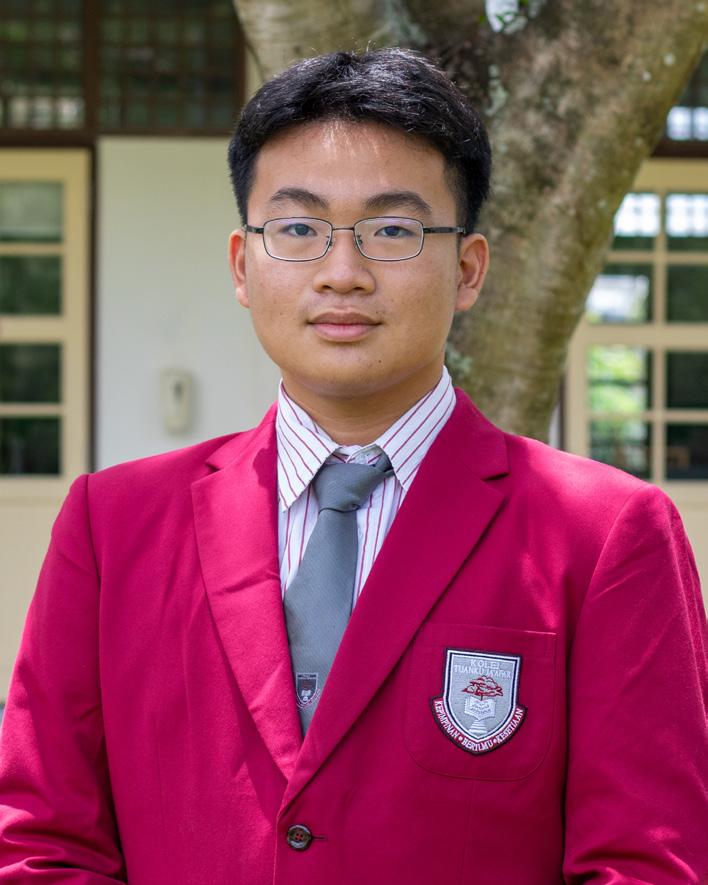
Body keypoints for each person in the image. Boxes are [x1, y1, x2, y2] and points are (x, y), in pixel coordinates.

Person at [0, 48, 705, 885]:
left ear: (468, 269)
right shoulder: (113, 526)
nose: (342, 273)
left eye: (392, 230)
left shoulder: (603, 536)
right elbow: (43, 844)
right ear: (243, 264)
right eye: (299, 229)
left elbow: (646, 863)